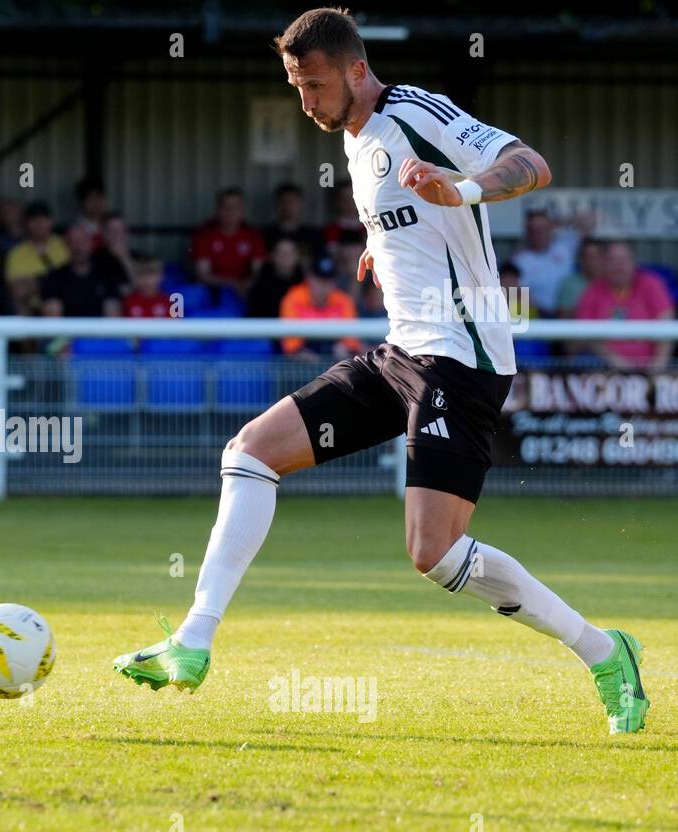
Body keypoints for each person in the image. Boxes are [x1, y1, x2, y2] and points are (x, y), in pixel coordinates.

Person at [113, 7, 649, 736]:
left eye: (314, 84)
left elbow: (530, 163)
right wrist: (381, 250)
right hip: (402, 351)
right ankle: (193, 640)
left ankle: (603, 651)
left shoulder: (417, 112)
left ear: (357, 70)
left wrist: (458, 190)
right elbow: (407, 222)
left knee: (432, 552)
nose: (306, 102)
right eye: (296, 86)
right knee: (249, 454)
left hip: (461, 361)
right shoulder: (358, 141)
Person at [574, 241, 675, 372]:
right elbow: (585, 334)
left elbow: (666, 324)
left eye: (624, 259)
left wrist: (657, 368)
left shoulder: (651, 284)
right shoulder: (592, 291)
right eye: (612, 260)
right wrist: (614, 360)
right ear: (604, 264)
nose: (619, 265)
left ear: (634, 262)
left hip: (651, 368)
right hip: (605, 369)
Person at [511, 210, 593, 318]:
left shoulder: (565, 247)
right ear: (528, 232)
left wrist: (560, 222)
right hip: (538, 315)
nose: (539, 233)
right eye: (534, 230)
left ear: (551, 228)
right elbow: (515, 293)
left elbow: (589, 222)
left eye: (543, 228)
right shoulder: (520, 260)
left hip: (570, 314)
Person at [277, 255, 361, 361]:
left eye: (328, 280)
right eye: (319, 280)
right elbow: (291, 346)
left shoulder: (344, 301)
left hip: (335, 362)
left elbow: (351, 342)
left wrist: (345, 348)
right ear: (309, 278)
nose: (324, 285)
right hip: (303, 364)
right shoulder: (293, 299)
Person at [191, 187, 266, 301]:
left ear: (242, 211)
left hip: (246, 290)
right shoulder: (205, 233)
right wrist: (233, 284)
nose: (231, 212)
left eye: (236, 207)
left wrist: (246, 285)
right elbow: (203, 275)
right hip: (212, 291)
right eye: (226, 207)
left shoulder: (252, 234)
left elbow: (259, 271)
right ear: (218, 209)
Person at [41, 222, 122, 318]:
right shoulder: (55, 278)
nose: (78, 246)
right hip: (67, 332)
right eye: (73, 241)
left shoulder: (106, 275)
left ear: (90, 243)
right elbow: (53, 322)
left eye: (82, 241)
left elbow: (112, 318)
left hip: (100, 332)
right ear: (66, 246)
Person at [4, 201, 68, 314]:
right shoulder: (17, 253)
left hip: (66, 304)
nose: (39, 224)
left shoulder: (65, 245)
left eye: (43, 219)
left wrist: (35, 282)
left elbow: (71, 280)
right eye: (34, 220)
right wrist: (50, 282)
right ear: (26, 224)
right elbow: (16, 289)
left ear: (51, 221)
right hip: (32, 307)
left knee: (54, 305)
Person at [262, 182, 325, 261]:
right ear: (275, 205)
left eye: (291, 202)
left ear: (300, 205)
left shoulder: (314, 235)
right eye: (282, 202)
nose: (287, 206)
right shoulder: (264, 235)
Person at [246, 237, 305, 319]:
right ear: (272, 256)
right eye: (281, 253)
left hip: (299, 330)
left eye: (290, 253)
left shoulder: (306, 282)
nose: (285, 257)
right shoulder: (261, 284)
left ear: (297, 256)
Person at [556, 237, 604, 319]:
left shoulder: (611, 283)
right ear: (581, 259)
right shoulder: (569, 284)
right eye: (587, 257)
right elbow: (562, 318)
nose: (591, 261)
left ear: (603, 258)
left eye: (594, 257)